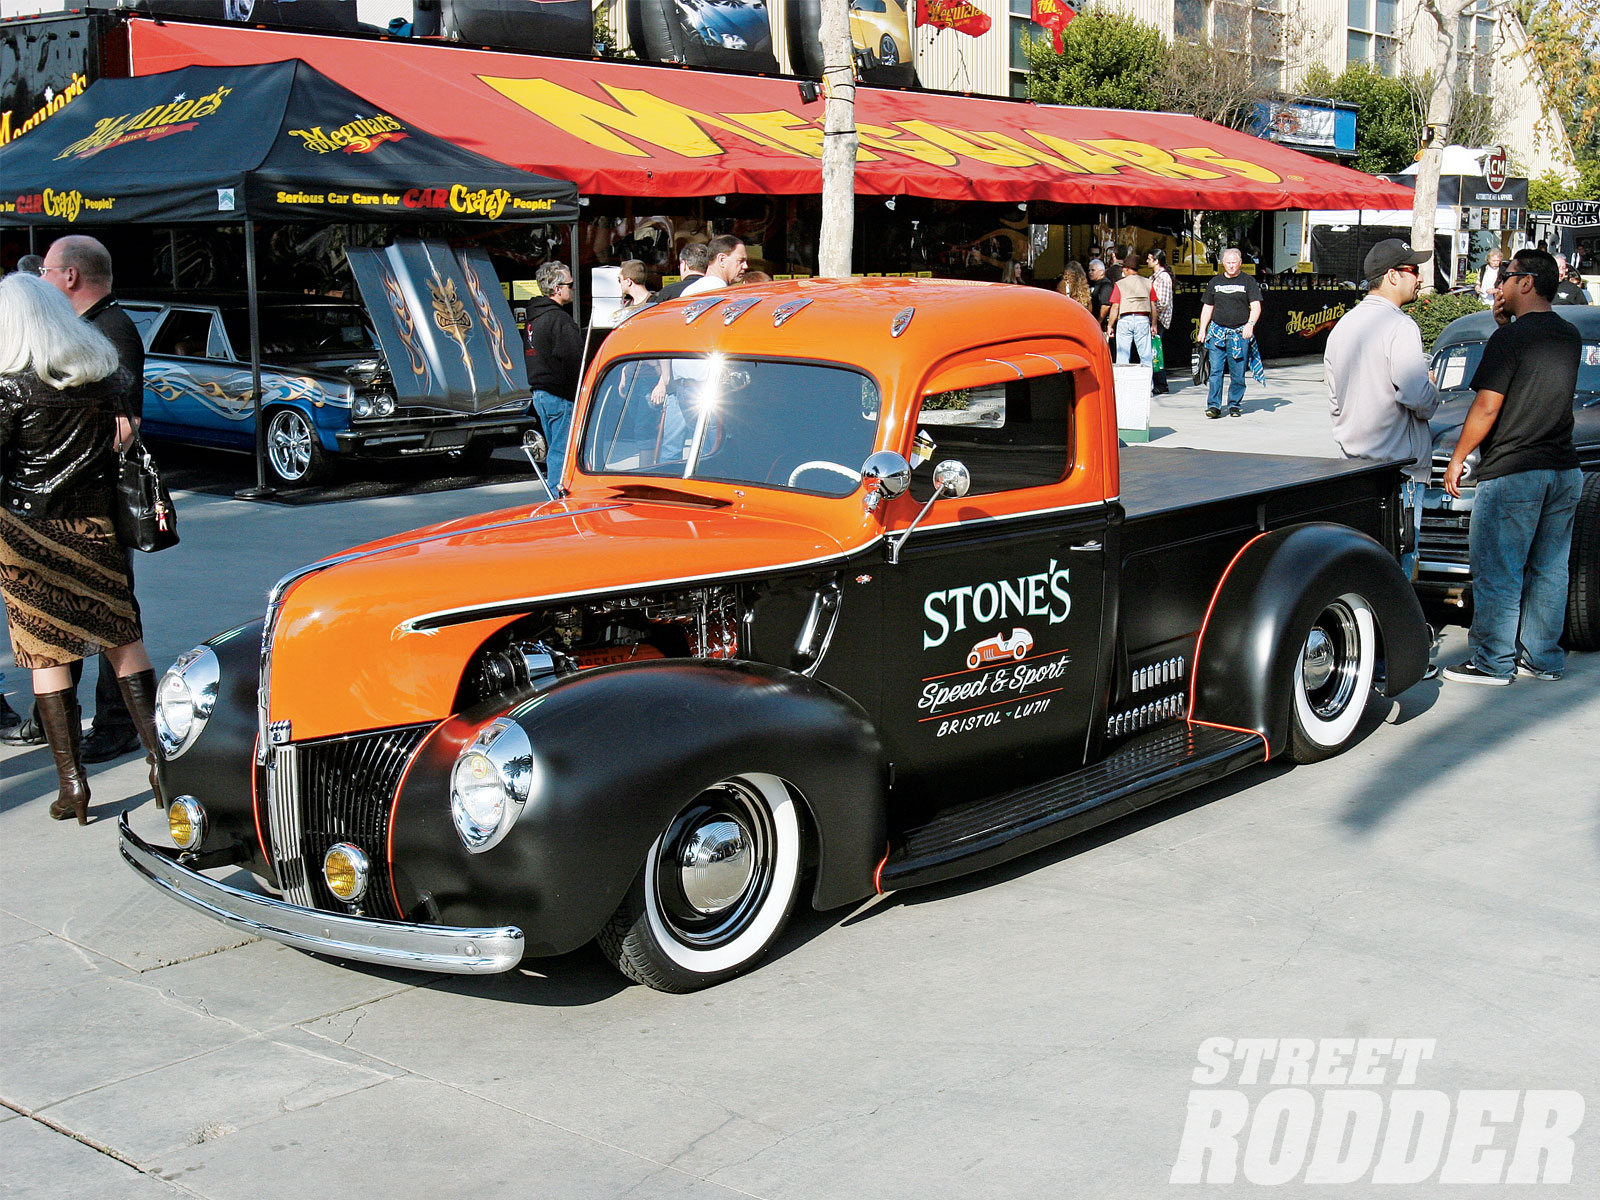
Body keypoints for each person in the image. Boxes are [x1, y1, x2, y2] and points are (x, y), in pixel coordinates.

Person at [0, 273, 167, 824]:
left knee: (47, 654)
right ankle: (161, 766)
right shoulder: (103, 378)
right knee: (124, 640)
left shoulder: (10, 387)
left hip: (26, 536)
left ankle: (74, 788)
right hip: (95, 526)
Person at [1441, 249, 1584, 685]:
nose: (1499, 284)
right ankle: (1543, 659)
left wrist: (1458, 456)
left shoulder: (1510, 340)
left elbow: (1487, 406)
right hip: (1563, 468)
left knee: (1499, 568)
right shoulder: (1569, 334)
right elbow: (1532, 380)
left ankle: (1492, 661)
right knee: (1548, 569)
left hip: (1514, 469)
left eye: (1507, 276)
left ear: (1526, 283)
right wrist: (1505, 326)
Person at [1324, 238, 1441, 589]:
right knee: (1397, 565)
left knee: (1362, 565)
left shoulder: (1344, 325)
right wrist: (1433, 388)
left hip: (1353, 466)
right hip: (1398, 472)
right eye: (1413, 270)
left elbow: (1333, 398)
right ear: (1392, 276)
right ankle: (1397, 640)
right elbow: (1416, 394)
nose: (1419, 277)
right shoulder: (1400, 325)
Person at [522, 261, 582, 486]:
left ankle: (555, 490)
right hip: (560, 394)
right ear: (557, 289)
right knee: (562, 453)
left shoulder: (534, 318)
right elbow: (574, 359)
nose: (573, 288)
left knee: (554, 449)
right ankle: (557, 496)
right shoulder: (558, 319)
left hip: (541, 393)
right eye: (571, 284)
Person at [1195, 247, 1263, 418]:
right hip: (1217, 333)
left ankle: (1234, 404)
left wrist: (1250, 324)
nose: (1231, 266)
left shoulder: (1248, 281)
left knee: (1238, 373)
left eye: (1234, 263)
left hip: (1239, 334)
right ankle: (1214, 406)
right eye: (1228, 263)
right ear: (1223, 264)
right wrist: (1203, 329)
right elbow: (1208, 307)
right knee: (1215, 371)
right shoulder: (1215, 282)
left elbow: (1256, 306)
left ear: (1240, 263)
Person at [1107, 249, 1154, 372]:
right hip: (1143, 319)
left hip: (1125, 320)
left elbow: (1115, 306)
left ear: (1127, 269)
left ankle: (1123, 386)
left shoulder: (1120, 284)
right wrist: (1154, 324)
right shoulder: (1148, 283)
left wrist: (1110, 325)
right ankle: (1148, 386)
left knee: (1123, 357)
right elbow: (1153, 305)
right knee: (1146, 356)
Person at [1146, 248, 1175, 394]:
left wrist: (1153, 320)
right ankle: (1158, 382)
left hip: (1159, 320)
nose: (1146, 261)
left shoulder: (1163, 278)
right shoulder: (1154, 277)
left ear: (1156, 261)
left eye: (1149, 259)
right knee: (1154, 350)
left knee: (1155, 351)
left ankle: (1161, 383)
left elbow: (1162, 302)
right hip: (1155, 318)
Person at [681, 234, 748, 296]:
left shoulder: (689, 291)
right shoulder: (721, 294)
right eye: (741, 261)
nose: (746, 266)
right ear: (722, 259)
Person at [1086, 258, 1114, 335]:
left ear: (1102, 272)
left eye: (1093, 270)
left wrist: (1099, 321)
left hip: (1102, 325)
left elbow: (1105, 306)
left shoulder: (1106, 285)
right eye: (1089, 270)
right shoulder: (1092, 283)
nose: (1090, 272)